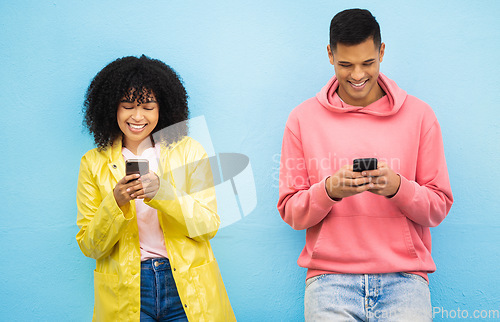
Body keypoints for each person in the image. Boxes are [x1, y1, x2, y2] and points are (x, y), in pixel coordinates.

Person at [277, 9, 453, 321]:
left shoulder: (420, 116)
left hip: (405, 279)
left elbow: (438, 207)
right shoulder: (301, 119)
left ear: (381, 51)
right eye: (346, 64)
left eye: (367, 63)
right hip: (329, 281)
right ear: (330, 54)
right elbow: (291, 211)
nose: (357, 75)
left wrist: (397, 187)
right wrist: (328, 191)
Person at [76, 55, 236, 321]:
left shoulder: (189, 151)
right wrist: (114, 203)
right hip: (128, 287)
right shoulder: (93, 163)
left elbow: (208, 226)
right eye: (127, 105)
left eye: (148, 106)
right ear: (111, 107)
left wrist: (163, 193)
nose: (137, 116)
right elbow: (90, 247)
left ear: (163, 108)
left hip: (184, 283)